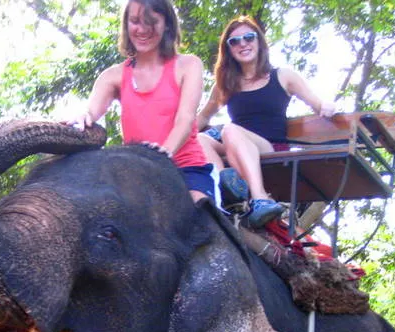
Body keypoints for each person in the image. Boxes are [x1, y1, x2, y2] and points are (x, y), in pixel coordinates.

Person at [196, 16, 337, 228]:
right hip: (236, 147)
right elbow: (204, 116)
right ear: (229, 49)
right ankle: (228, 192)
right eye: (234, 41)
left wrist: (326, 106)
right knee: (200, 139)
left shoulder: (282, 76)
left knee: (230, 130)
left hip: (270, 148)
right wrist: (173, 137)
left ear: (259, 41)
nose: (242, 43)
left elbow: (317, 103)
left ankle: (260, 197)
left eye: (248, 37)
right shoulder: (226, 84)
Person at [70, 0, 215, 204]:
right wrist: (83, 116)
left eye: (151, 22)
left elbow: (185, 120)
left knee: (200, 217)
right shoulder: (113, 76)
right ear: (126, 24)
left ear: (167, 24)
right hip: (137, 173)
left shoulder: (188, 65)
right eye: (135, 21)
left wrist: (160, 157)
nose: (142, 29)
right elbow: (90, 111)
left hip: (186, 168)